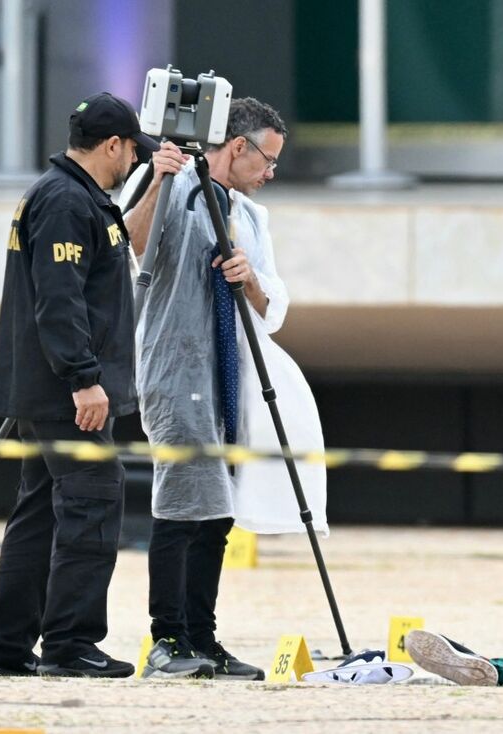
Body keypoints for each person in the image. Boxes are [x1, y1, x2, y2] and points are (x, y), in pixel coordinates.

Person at [123, 97, 326, 680]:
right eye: (267, 160)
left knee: (217, 512)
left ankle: (202, 638)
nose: (270, 174)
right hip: (173, 365)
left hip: (230, 371)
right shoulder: (167, 180)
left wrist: (251, 279)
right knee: (183, 502)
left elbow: (274, 306)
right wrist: (158, 181)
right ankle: (167, 639)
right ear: (237, 146)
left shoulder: (250, 216)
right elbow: (129, 246)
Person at [0, 92, 159, 678]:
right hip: (65, 392)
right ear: (112, 145)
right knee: (94, 498)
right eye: (133, 150)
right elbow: (58, 301)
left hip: (50, 388)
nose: (133, 160)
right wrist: (83, 380)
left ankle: (5, 647)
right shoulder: (63, 201)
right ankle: (70, 643)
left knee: (41, 512)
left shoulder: (75, 196)